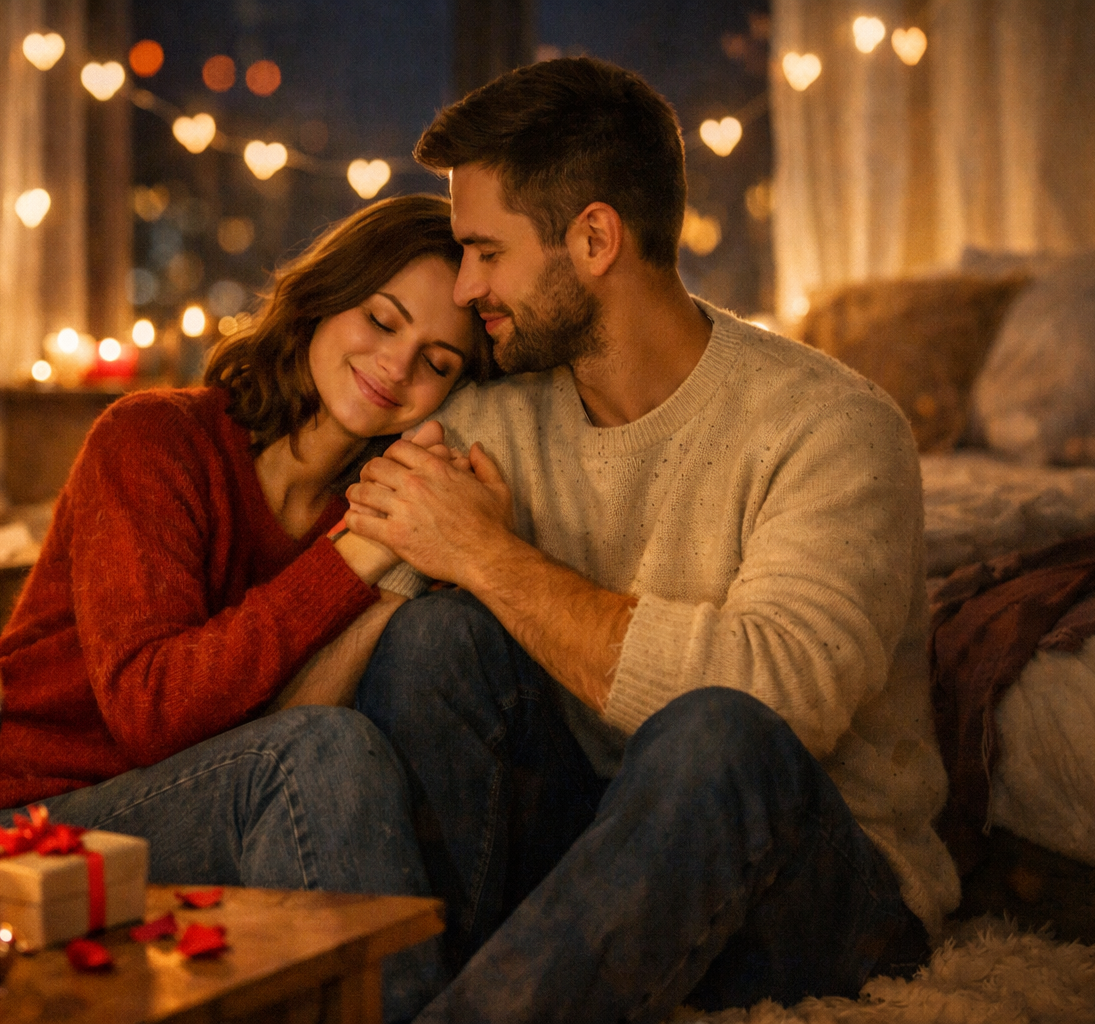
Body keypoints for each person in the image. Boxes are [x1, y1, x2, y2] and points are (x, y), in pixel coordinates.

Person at [343, 58, 961, 1022]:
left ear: (594, 238)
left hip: (822, 885)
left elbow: (779, 707)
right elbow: (360, 607)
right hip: (599, 848)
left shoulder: (830, 427)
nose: (466, 289)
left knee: (720, 729)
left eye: (486, 252)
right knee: (429, 647)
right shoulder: (500, 417)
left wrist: (490, 559)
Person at [0, 194, 490, 1020]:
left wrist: (387, 586)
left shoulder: (367, 516)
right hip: (17, 831)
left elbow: (279, 728)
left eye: (439, 362)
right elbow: (153, 712)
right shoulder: (153, 439)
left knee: (357, 722)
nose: (399, 366)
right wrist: (360, 557)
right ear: (324, 298)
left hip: (184, 807)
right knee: (324, 753)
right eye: (381, 319)